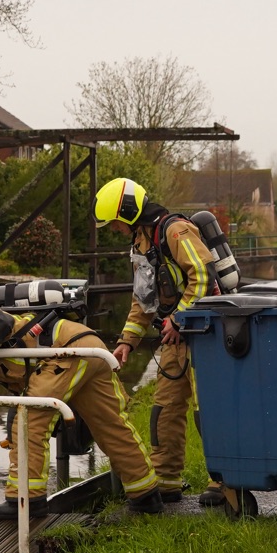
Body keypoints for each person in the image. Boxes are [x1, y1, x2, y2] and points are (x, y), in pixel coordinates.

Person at [0, 310, 163, 517]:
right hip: (88, 350)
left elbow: (0, 322)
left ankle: (25, 501)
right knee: (111, 427)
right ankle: (145, 495)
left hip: (69, 351)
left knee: (29, 422)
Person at [95, 177, 220, 505]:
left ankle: (223, 480)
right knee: (164, 408)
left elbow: (203, 275)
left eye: (115, 224)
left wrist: (180, 317)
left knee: (208, 409)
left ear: (128, 213)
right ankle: (166, 480)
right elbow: (143, 300)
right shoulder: (141, 244)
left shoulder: (175, 231)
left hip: (207, 334)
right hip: (175, 337)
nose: (115, 230)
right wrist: (126, 342)